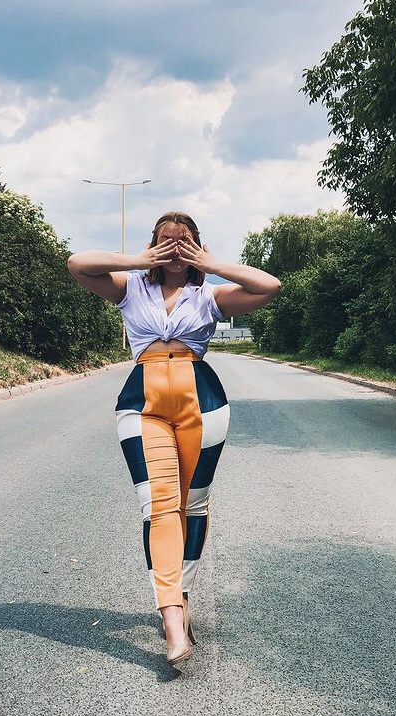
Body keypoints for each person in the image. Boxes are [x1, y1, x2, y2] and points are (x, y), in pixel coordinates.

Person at [68, 211, 280, 666]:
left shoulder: (210, 296)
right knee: (159, 505)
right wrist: (140, 259)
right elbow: (77, 264)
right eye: (168, 241)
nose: (176, 250)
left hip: (202, 402)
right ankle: (171, 619)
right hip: (140, 401)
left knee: (193, 504)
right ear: (154, 245)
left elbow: (270, 286)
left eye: (184, 242)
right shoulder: (130, 289)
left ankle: (181, 595)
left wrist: (211, 264)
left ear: (197, 246)